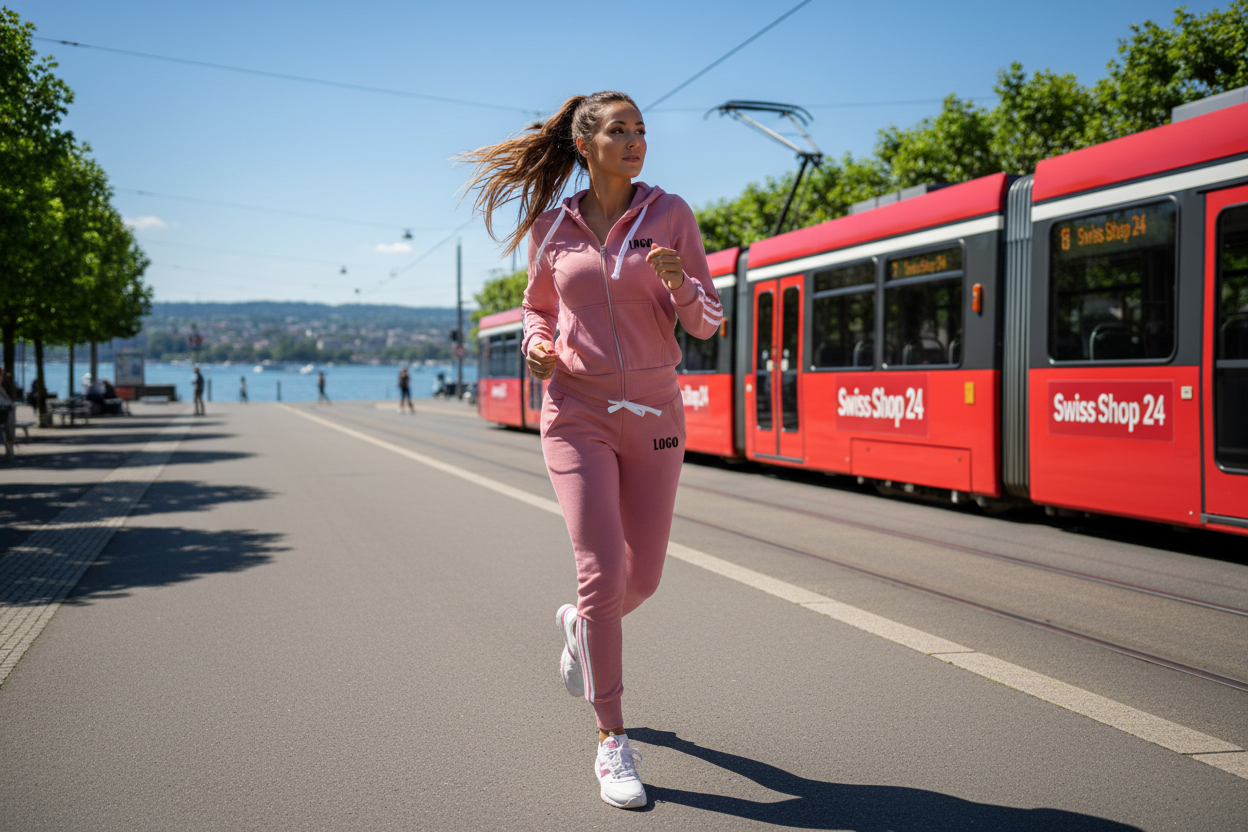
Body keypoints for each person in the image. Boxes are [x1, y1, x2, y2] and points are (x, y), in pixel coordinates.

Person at [460, 91, 721, 809]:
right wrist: (537, 344)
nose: (636, 140)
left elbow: (705, 321)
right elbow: (537, 306)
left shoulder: (671, 215)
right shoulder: (554, 226)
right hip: (576, 414)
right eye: (619, 130)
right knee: (603, 574)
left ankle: (581, 625)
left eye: (641, 130)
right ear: (587, 145)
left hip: (656, 417)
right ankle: (612, 741)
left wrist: (681, 285)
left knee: (642, 582)